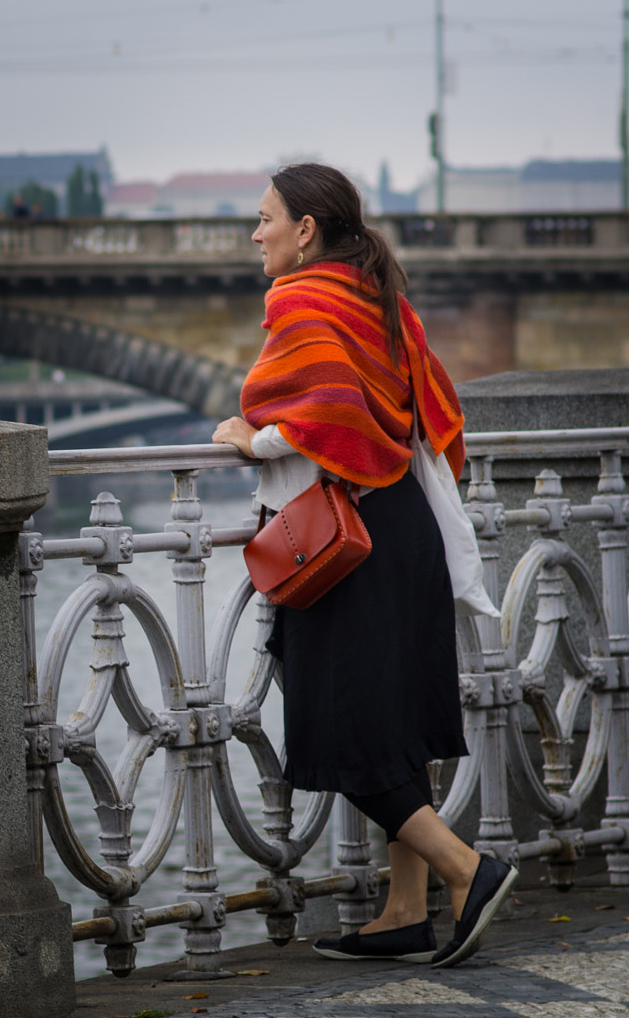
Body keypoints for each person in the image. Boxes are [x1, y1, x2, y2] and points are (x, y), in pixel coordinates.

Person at [212, 162, 514, 969]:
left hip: (348, 542)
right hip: (403, 528)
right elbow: (425, 409)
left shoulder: (302, 298)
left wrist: (253, 438)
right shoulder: (383, 300)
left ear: (306, 229)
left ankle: (467, 870)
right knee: (394, 728)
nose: (257, 233)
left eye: (267, 217)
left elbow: (327, 413)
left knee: (343, 729)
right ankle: (404, 913)